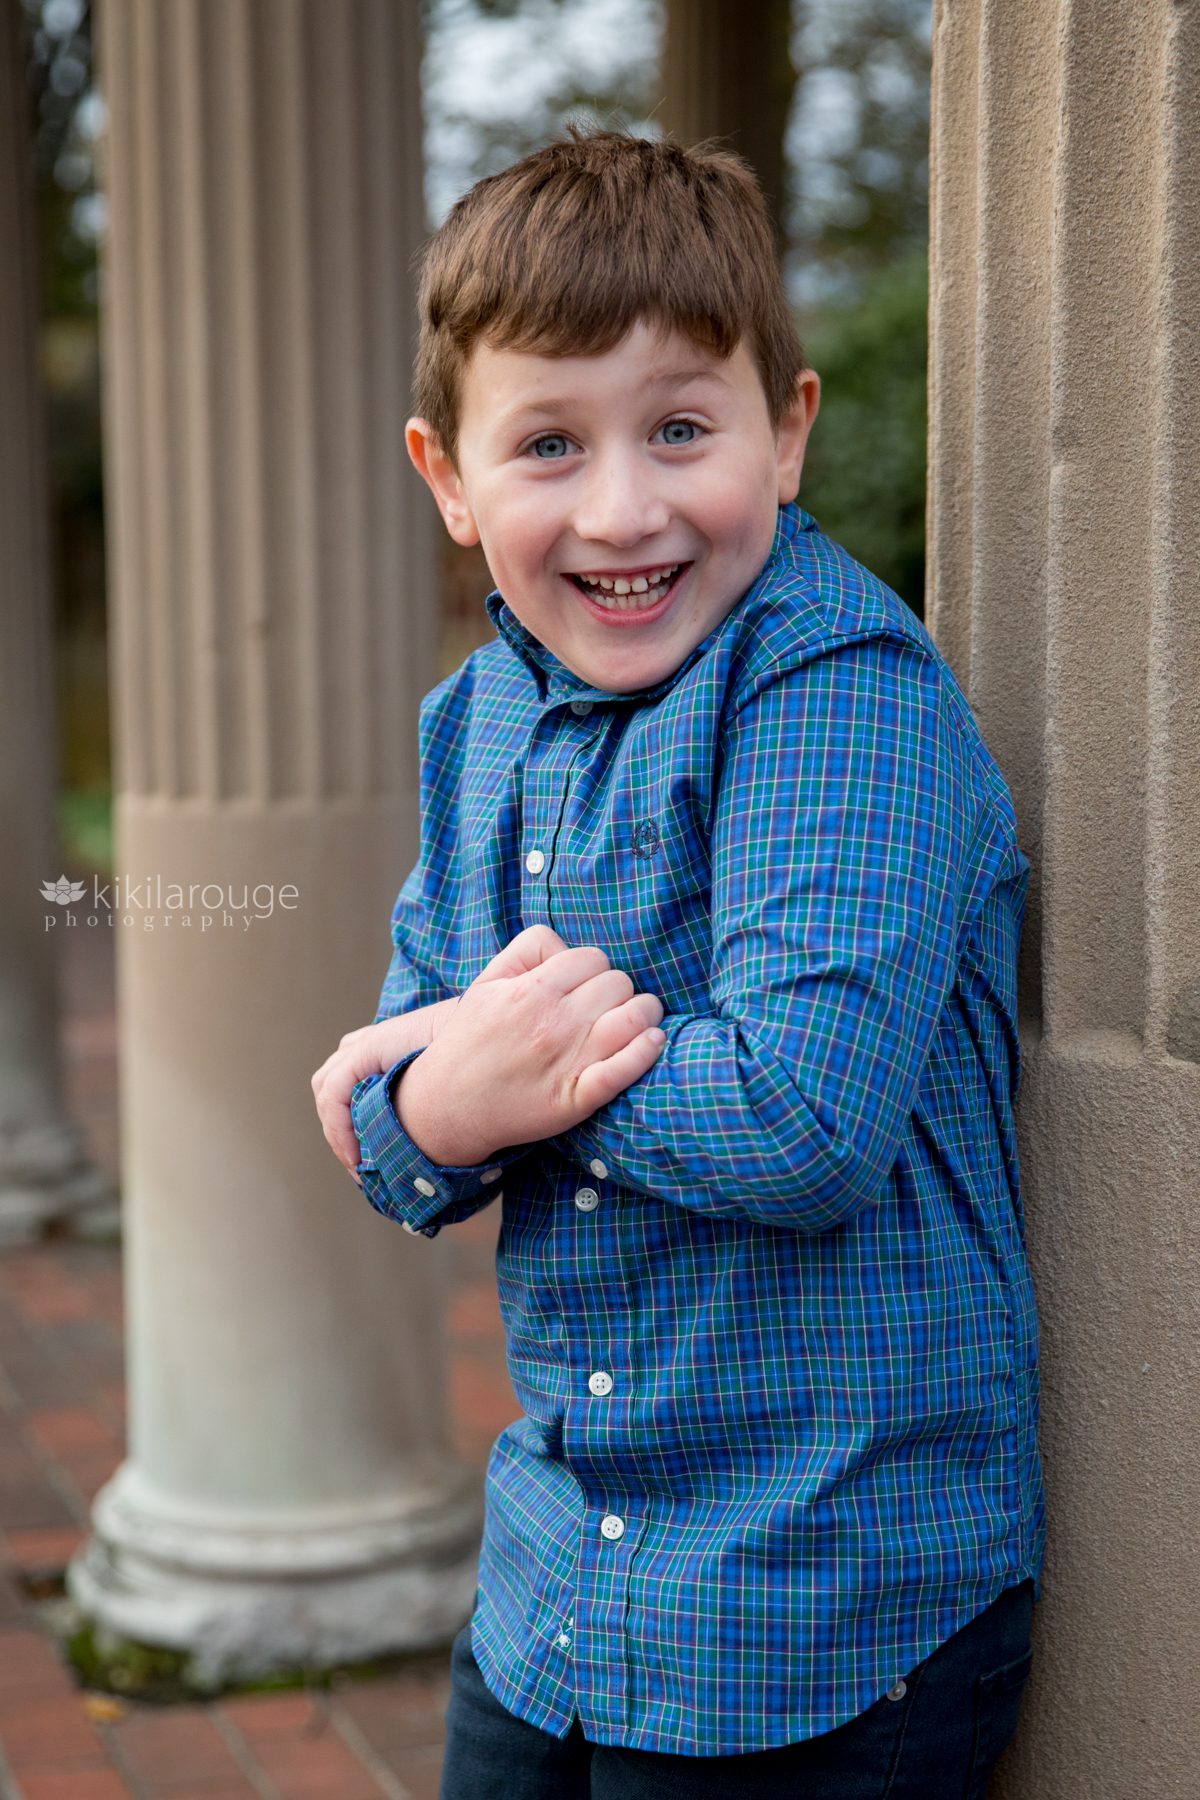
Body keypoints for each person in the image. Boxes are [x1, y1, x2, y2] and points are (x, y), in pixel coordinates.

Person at [310, 125, 1044, 1800]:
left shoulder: (838, 688)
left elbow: (800, 1117)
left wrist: (482, 1084)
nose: (624, 508)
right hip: (565, 1569)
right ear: (447, 476)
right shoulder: (471, 726)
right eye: (550, 443)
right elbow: (398, 1155)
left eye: (683, 429)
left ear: (785, 434)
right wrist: (433, 1098)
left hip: (825, 1595)